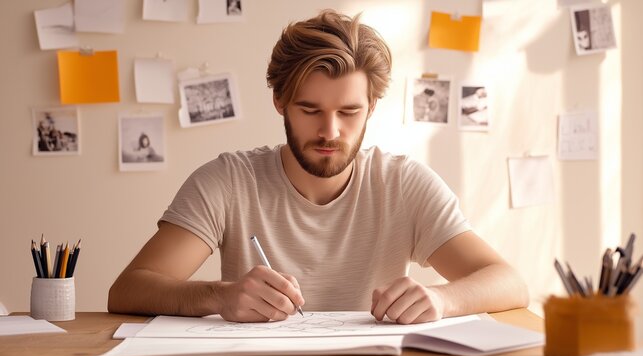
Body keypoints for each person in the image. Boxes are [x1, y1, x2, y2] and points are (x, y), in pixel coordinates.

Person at [108, 10, 528, 324]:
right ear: (280, 103)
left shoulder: (403, 183)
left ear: (372, 108)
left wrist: (442, 300)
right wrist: (219, 297)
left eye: (349, 111)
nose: (330, 131)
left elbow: (509, 282)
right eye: (310, 109)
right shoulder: (227, 181)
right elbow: (128, 290)